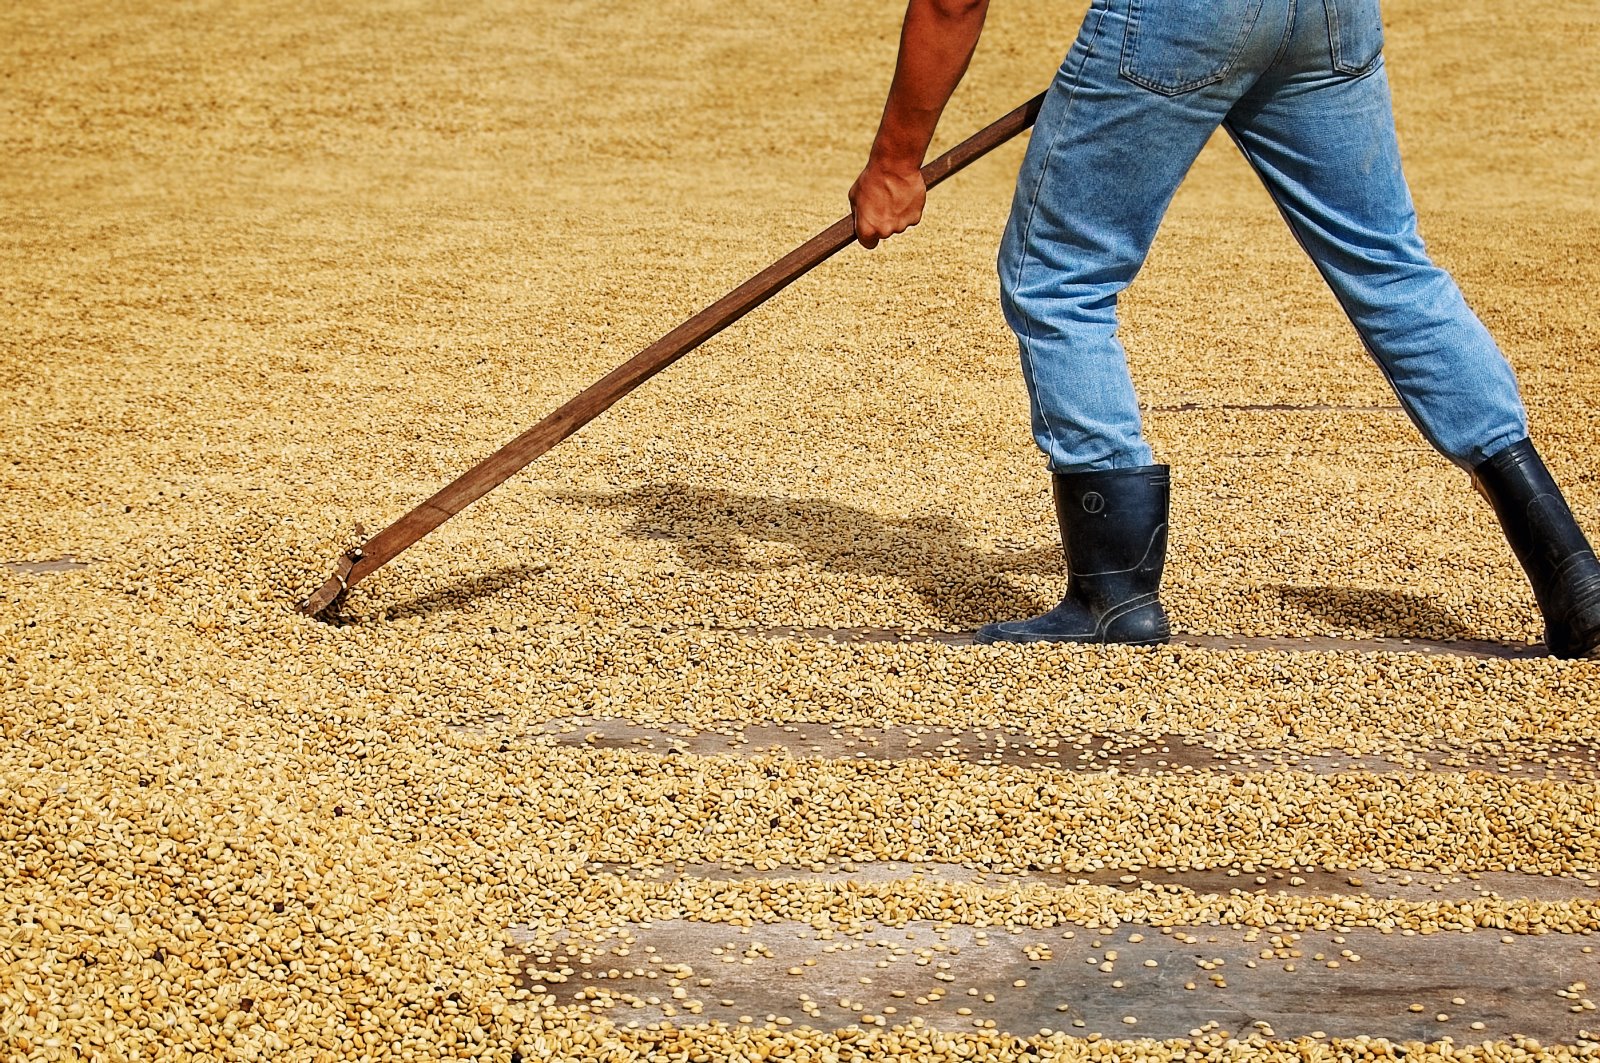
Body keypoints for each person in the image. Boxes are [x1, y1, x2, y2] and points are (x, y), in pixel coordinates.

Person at [848, 0, 1600, 658]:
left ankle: (1114, 596)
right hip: (1330, 14)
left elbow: (952, 3)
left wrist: (895, 162)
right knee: (1389, 267)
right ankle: (1572, 571)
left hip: (1184, 21)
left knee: (1059, 273)